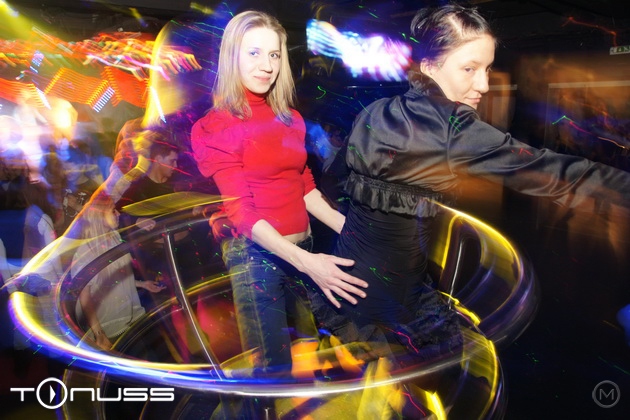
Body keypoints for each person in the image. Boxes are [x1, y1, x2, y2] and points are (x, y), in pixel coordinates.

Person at [312, 4, 630, 362]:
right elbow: (556, 173)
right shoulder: (451, 127)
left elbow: (335, 180)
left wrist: (360, 232)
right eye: (470, 69)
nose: (484, 84)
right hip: (389, 304)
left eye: (488, 69)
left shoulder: (376, 110)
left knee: (367, 379)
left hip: (347, 279)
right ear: (429, 67)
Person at [191, 10, 368, 379]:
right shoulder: (215, 127)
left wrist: (354, 232)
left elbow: (305, 188)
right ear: (232, 56)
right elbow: (241, 213)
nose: (267, 65)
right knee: (273, 369)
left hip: (304, 248)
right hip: (257, 257)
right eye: (254, 53)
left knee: (332, 337)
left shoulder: (290, 118)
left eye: (274, 54)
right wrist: (307, 263)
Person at [70, 190, 165, 350]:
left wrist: (142, 284)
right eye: (113, 211)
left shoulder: (113, 235)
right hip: (111, 327)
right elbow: (84, 298)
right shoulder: (84, 252)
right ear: (99, 216)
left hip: (133, 315)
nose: (118, 214)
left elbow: (114, 275)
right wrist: (99, 334)